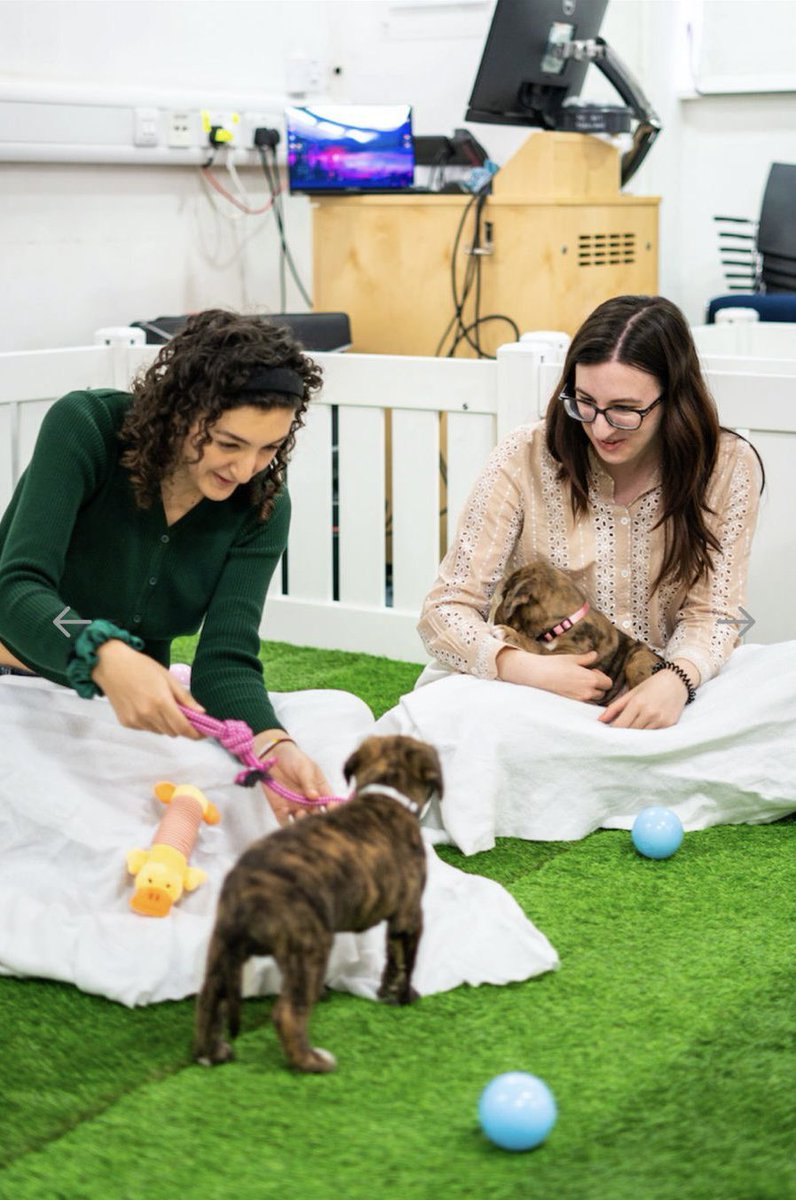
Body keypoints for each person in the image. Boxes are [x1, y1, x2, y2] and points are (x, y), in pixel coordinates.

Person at [0, 308, 333, 822]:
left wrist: (271, 747)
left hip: (122, 716)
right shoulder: (87, 428)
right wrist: (100, 652)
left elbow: (224, 661)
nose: (245, 470)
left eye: (269, 448)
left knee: (330, 724)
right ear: (178, 412)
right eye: (228, 443)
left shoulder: (262, 504)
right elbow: (16, 587)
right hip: (17, 684)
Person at [418, 293, 764, 729]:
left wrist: (675, 681)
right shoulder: (524, 454)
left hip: (664, 687)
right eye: (584, 401)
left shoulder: (727, 465)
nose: (600, 427)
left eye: (625, 410)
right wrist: (526, 669)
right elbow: (444, 609)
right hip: (530, 690)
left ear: (673, 398)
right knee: (449, 720)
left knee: (782, 685)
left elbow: (715, 615)